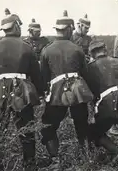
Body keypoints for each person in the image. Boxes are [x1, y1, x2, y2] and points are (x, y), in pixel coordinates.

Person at [0, 8, 43, 171]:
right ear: (16, 27)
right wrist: (41, 91)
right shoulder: (26, 47)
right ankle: (30, 166)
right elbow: (36, 74)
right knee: (26, 129)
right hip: (21, 93)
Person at [39, 10, 97, 162]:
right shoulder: (77, 48)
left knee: (49, 124)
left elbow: (43, 76)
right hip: (77, 89)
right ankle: (86, 156)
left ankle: (54, 158)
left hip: (57, 91)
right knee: (81, 123)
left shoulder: (47, 49)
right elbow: (85, 72)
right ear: (70, 29)